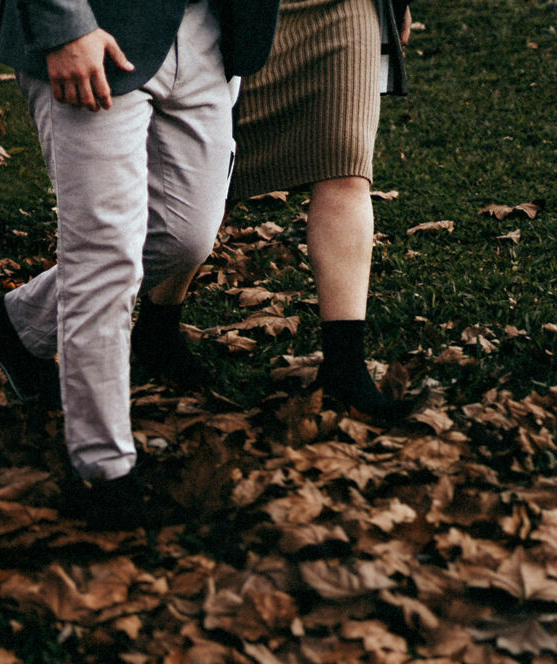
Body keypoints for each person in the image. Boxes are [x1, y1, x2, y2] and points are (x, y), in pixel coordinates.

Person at [0, 0, 281, 529]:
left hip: (208, 31)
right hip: (98, 29)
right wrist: (64, 27)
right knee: (104, 255)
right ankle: (102, 468)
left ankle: (17, 323)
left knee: (184, 238)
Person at [141, 0, 416, 419]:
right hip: (240, 12)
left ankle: (345, 367)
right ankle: (157, 326)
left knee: (346, 162)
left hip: (349, 7)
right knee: (216, 177)